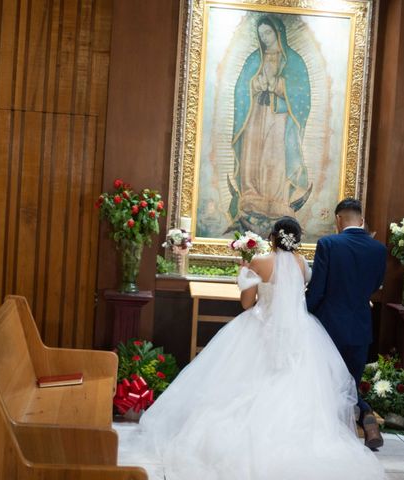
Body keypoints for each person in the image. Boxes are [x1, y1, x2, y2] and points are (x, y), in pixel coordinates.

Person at [137, 216, 385, 479]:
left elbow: (246, 304)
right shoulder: (302, 264)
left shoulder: (260, 262)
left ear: (273, 237)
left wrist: (242, 275)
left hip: (261, 327)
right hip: (299, 332)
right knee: (295, 385)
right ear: (297, 239)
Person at [306, 198, 387, 450]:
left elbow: (317, 288)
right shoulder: (379, 249)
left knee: (327, 383)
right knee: (350, 382)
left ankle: (330, 435)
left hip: (329, 327)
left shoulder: (328, 244)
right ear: (361, 220)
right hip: (361, 327)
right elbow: (375, 286)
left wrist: (304, 312)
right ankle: (366, 417)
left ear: (338, 220)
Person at [226, 15, 312, 234]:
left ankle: (275, 202)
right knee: (253, 156)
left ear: (278, 33)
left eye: (268, 33)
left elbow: (302, 95)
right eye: (261, 34)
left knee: (274, 157)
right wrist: (255, 84)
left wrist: (277, 85)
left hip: (278, 117)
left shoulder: (293, 60)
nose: (264, 38)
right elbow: (241, 88)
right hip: (255, 115)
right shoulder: (254, 59)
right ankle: (252, 198)